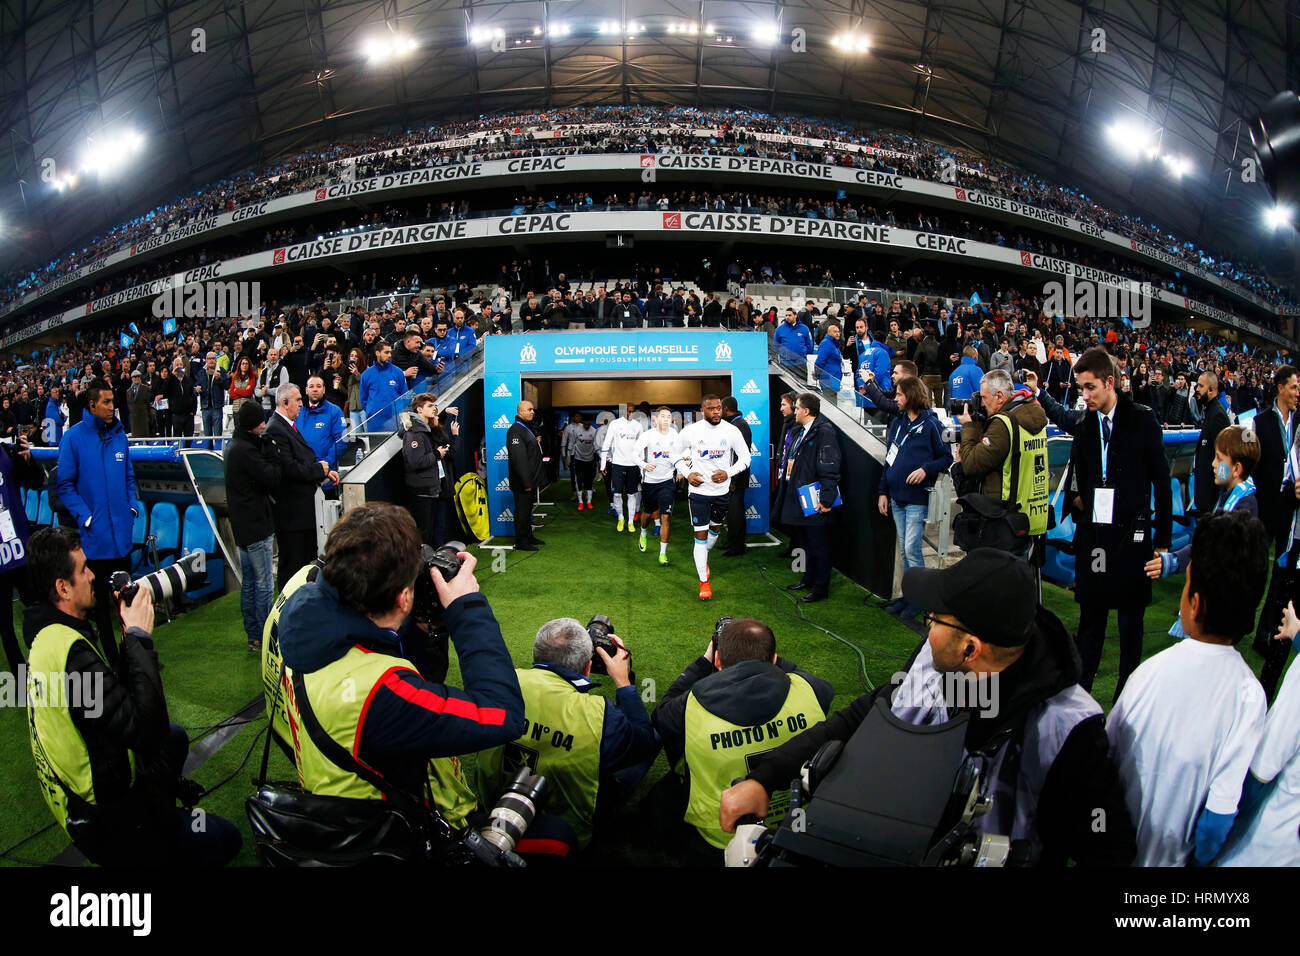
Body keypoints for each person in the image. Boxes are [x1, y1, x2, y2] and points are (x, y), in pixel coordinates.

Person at [718, 549, 1138, 866]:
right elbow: (866, 713)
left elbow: (1107, 848)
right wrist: (767, 776)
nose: (927, 628)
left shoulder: (1069, 729)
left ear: (971, 648)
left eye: (934, 620)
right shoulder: (940, 659)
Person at [274, 504, 543, 849]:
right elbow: (503, 714)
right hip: (383, 837)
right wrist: (468, 607)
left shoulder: (305, 616)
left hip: (330, 805)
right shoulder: (382, 691)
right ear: (403, 599)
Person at [23, 526, 241, 865]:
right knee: (226, 840)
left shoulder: (46, 636)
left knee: (177, 738)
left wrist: (127, 640)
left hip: (89, 789)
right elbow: (147, 730)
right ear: (62, 588)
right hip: (109, 823)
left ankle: (163, 807)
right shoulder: (72, 659)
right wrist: (140, 639)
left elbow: (112, 700)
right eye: (83, 570)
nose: (93, 575)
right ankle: (155, 837)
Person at [1107, 511, 1270, 866]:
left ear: (1193, 605)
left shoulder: (1146, 675)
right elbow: (1216, 823)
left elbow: (1105, 763)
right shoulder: (1249, 696)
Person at [649, 618, 833, 861]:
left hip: (717, 835)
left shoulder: (690, 705)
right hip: (796, 826)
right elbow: (796, 674)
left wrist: (703, 663)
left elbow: (660, 718)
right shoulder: (813, 690)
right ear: (776, 660)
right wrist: (765, 657)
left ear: (717, 660)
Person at [476, 618, 660, 850]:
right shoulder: (599, 713)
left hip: (491, 809)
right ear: (588, 667)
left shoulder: (500, 682)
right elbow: (644, 743)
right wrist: (623, 682)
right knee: (652, 737)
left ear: (536, 653)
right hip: (566, 832)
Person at [1067, 347, 1172, 702]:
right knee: (1091, 622)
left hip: (1134, 539)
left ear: (1110, 383)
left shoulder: (1142, 419)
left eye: (1090, 387)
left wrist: (1163, 542)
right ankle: (1080, 700)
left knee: (1131, 625)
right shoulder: (1084, 427)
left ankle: (1126, 700)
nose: (1085, 396)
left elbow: (1162, 480)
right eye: (1081, 388)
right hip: (1096, 539)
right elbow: (1080, 484)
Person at [55, 379, 140, 668]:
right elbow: (64, 485)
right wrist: (87, 517)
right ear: (91, 405)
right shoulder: (73, 438)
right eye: (105, 401)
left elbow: (128, 477)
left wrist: (132, 508)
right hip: (95, 542)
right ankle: (114, 664)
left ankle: (135, 657)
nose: (111, 406)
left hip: (123, 539)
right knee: (102, 611)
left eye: (112, 400)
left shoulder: (120, 436)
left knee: (127, 603)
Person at [1147, 425, 1260, 586]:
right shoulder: (1231, 496)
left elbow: (1212, 549)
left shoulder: (1242, 508)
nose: (1213, 463)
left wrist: (1175, 561)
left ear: (1236, 468)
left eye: (1220, 459)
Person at [878, 377, 953, 618]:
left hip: (916, 498)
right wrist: (883, 491)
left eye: (899, 394)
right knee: (905, 548)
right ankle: (908, 596)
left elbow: (946, 458)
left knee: (911, 548)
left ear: (911, 396)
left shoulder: (932, 424)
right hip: (896, 496)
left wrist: (925, 470)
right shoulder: (898, 422)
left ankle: (919, 599)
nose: (896, 399)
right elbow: (889, 458)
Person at [957, 368, 1051, 547]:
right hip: (1030, 516)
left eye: (984, 398)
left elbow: (971, 465)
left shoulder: (1004, 424)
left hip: (1004, 522)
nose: (982, 404)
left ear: (1000, 396)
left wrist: (969, 426)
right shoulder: (1032, 416)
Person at [677, 395, 752, 601]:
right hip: (699, 493)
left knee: (715, 531)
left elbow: (746, 458)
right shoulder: (691, 431)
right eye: (711, 409)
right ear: (703, 410)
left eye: (719, 408)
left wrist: (728, 472)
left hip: (721, 492)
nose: (716, 412)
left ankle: (704, 559)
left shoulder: (731, 431)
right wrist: (687, 472)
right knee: (699, 536)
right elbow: (674, 454)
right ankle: (704, 581)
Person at [265, 384, 336, 590]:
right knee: (293, 565)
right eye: (297, 400)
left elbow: (302, 460)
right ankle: (289, 609)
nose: (301, 404)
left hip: (301, 512)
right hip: (291, 514)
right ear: (285, 403)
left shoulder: (287, 426)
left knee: (304, 563)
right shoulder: (275, 430)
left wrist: (323, 471)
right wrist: (318, 470)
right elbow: (290, 469)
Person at [1251, 364, 1299, 663]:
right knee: (1255, 574)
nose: (1298, 393)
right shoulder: (1259, 422)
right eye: (1294, 387)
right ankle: (1240, 628)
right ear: (1280, 387)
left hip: (1291, 513)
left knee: (1282, 578)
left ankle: (1266, 633)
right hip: (1265, 510)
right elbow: (1252, 467)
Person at [224, 402, 280, 652]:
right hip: (257, 525)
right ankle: (267, 637)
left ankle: (254, 636)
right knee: (264, 584)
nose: (263, 425)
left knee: (249, 583)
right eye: (260, 421)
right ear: (251, 425)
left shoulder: (233, 447)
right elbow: (271, 477)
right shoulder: (246, 451)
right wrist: (271, 452)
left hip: (242, 526)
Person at [776, 392, 841, 603]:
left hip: (815, 499)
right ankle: (808, 579)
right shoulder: (799, 431)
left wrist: (827, 499)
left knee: (818, 544)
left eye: (796, 408)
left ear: (805, 411)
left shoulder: (824, 431)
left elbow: (830, 465)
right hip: (799, 497)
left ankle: (821, 587)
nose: (793, 412)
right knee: (806, 542)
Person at [0, 430, 49, 672]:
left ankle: (48, 664)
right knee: (5, 627)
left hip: (19, 550)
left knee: (38, 611)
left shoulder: (7, 452)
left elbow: (37, 481)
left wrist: (30, 461)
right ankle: (21, 681)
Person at [401, 393, 457, 547]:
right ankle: (423, 568)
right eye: (430, 406)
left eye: (434, 405)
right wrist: (437, 454)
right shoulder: (414, 433)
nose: (434, 409)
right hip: (421, 489)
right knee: (424, 533)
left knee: (431, 530)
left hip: (430, 488)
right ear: (419, 409)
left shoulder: (424, 430)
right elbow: (416, 462)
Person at [633, 407, 681, 565]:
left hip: (667, 481)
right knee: (647, 514)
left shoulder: (675, 435)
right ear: (656, 419)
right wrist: (644, 465)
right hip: (650, 482)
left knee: (666, 516)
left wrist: (680, 470)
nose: (666, 419)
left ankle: (663, 553)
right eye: (663, 416)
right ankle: (643, 532)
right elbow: (634, 454)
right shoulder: (648, 435)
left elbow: (681, 453)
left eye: (669, 416)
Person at [299, 375, 348, 498]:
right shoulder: (298, 411)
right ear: (306, 390)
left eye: (318, 386)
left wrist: (325, 465)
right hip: (303, 475)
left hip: (326, 476)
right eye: (311, 386)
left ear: (324, 389)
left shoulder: (334, 411)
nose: (315, 389)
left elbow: (342, 441)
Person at [600, 403, 645, 534]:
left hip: (633, 464)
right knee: (617, 493)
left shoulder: (638, 426)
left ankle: (630, 521)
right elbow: (606, 443)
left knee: (632, 494)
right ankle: (621, 518)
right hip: (618, 464)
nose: (630, 414)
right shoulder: (615, 424)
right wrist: (603, 464)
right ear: (623, 411)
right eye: (628, 412)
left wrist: (642, 467)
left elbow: (641, 447)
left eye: (632, 412)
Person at [507, 400, 545, 551]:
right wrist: (527, 483)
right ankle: (521, 542)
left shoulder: (525, 428)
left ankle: (528, 536)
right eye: (529, 409)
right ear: (520, 411)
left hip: (529, 480)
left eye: (532, 409)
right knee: (522, 511)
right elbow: (519, 460)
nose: (532, 412)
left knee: (528, 510)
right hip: (523, 482)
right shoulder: (515, 430)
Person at [1193, 372, 1232, 516]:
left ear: (1212, 390)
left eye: (1201, 386)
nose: (1197, 389)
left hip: (1212, 496)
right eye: (1197, 385)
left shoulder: (1217, 415)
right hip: (1206, 495)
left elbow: (1223, 456)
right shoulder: (1210, 412)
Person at [720, 396, 753, 557]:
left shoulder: (741, 426)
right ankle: (731, 541)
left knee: (736, 513)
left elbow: (742, 456)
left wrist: (734, 480)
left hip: (736, 479)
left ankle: (738, 547)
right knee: (731, 513)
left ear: (726, 409)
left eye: (720, 408)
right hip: (730, 478)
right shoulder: (734, 424)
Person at [359, 341, 407, 432]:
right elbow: (363, 399)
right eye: (386, 352)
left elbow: (405, 394)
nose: (389, 355)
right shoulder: (366, 375)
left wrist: (399, 411)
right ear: (377, 353)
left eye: (390, 352)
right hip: (375, 421)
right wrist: (371, 411)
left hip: (395, 419)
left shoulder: (398, 372)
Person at [563, 413, 598, 511]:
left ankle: (589, 502)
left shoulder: (594, 431)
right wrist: (570, 457)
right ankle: (581, 502)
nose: (587, 426)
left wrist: (597, 458)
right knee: (578, 480)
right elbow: (572, 444)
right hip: (578, 459)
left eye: (588, 424)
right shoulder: (576, 431)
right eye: (585, 424)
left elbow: (596, 445)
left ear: (590, 423)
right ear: (583, 423)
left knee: (589, 481)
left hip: (590, 459)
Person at [195, 351, 228, 449]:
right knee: (207, 435)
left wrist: (219, 379)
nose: (211, 361)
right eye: (209, 359)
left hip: (216, 406)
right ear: (206, 360)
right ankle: (208, 452)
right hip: (205, 406)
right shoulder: (201, 372)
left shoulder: (221, 371)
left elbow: (227, 386)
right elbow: (196, 386)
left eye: (213, 358)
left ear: (216, 359)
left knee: (217, 434)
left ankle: (218, 451)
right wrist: (196, 389)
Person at [947, 346, 984, 413]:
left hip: (957, 415)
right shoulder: (976, 370)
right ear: (974, 355)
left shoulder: (953, 374)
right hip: (971, 415)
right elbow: (982, 392)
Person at [813, 322, 843, 398]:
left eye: (838, 332)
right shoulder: (826, 343)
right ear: (829, 333)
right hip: (828, 380)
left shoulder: (834, 345)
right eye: (834, 332)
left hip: (834, 380)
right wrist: (817, 374)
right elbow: (820, 361)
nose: (837, 334)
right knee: (830, 404)